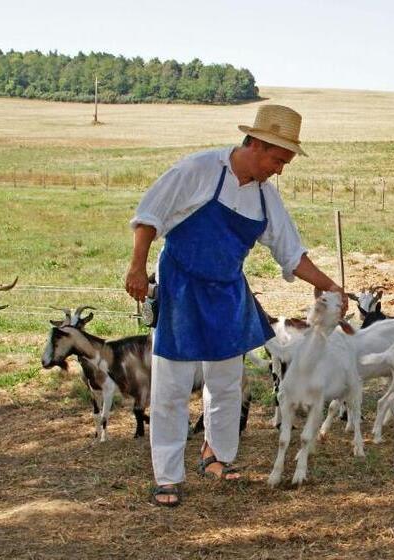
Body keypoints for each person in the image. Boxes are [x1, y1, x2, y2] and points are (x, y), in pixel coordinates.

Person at [124, 104, 347, 507]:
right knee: (173, 385)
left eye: (286, 162)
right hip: (182, 287)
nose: (279, 170)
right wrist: (137, 266)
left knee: (226, 381)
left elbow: (291, 253)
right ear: (257, 145)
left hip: (228, 291)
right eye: (278, 160)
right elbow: (149, 216)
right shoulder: (198, 170)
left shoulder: (265, 199)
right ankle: (168, 476)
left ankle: (218, 456)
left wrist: (329, 284)